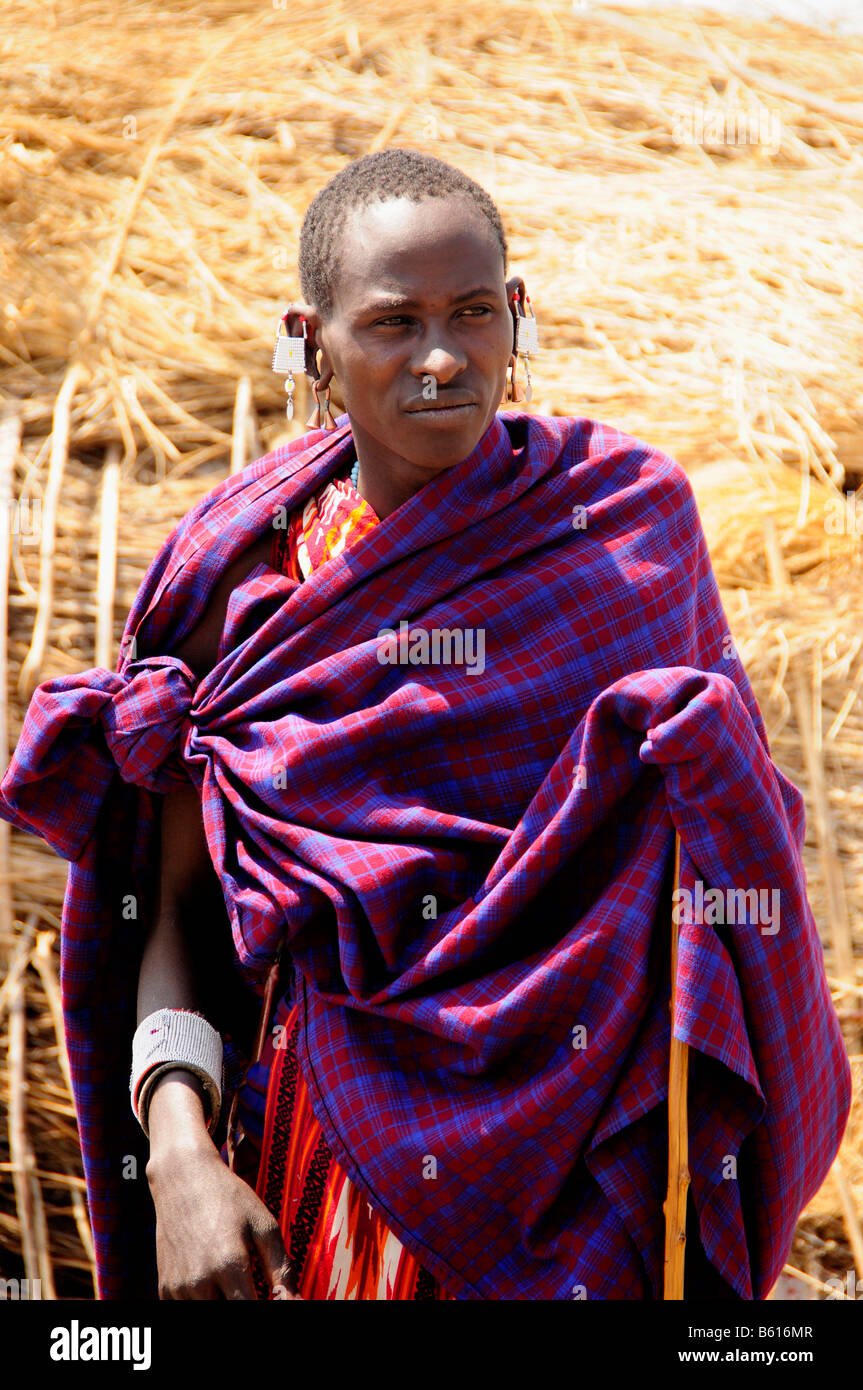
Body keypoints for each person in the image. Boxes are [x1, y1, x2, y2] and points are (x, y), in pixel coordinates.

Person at [0, 148, 851, 1301]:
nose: (442, 359)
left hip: (587, 1175)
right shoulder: (246, 591)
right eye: (393, 322)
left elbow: (724, 857)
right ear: (313, 341)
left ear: (516, 315)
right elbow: (184, 912)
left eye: (470, 314)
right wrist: (183, 1160)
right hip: (333, 1184)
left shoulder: (623, 531)